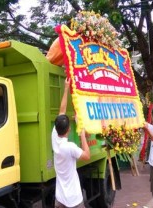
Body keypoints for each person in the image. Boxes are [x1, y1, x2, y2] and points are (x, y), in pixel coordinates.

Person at [52, 77, 90, 208]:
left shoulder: (54, 137)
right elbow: (86, 156)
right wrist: (82, 133)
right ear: (69, 129)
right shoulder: (69, 147)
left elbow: (61, 111)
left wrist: (66, 88)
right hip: (73, 200)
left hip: (60, 199)